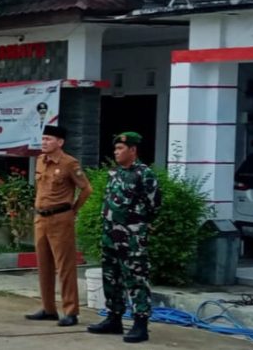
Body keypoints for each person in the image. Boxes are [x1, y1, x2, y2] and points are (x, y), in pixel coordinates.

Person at [89, 132, 161, 344]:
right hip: (110, 234)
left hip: (132, 237)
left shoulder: (144, 174)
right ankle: (114, 318)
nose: (116, 152)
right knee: (111, 277)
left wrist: (137, 224)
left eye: (120, 148)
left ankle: (140, 323)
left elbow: (154, 205)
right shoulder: (115, 173)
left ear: (133, 150)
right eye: (115, 149)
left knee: (136, 278)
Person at [26, 125, 91, 327]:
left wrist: (74, 210)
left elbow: (86, 189)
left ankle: (71, 311)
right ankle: (48, 308)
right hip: (41, 218)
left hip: (60, 218)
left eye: (49, 139)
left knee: (65, 266)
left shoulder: (69, 163)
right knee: (43, 264)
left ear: (60, 142)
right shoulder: (40, 160)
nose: (44, 142)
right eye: (43, 138)